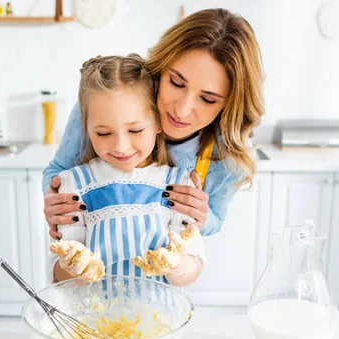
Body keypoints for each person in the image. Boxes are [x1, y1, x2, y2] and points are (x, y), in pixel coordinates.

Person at [43, 8, 264, 240]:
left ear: (229, 104)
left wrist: (202, 216)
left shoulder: (228, 153)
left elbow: (216, 220)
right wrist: (57, 201)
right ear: (161, 67)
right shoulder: (107, 103)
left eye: (208, 99)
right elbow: (57, 172)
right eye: (176, 83)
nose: (182, 110)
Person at [49, 54, 206, 287]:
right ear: (86, 127)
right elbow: (57, 272)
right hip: (93, 318)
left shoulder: (180, 185)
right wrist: (72, 266)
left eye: (135, 131)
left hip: (158, 320)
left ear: (158, 122)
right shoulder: (75, 184)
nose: (121, 147)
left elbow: (194, 263)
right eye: (103, 133)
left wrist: (176, 265)